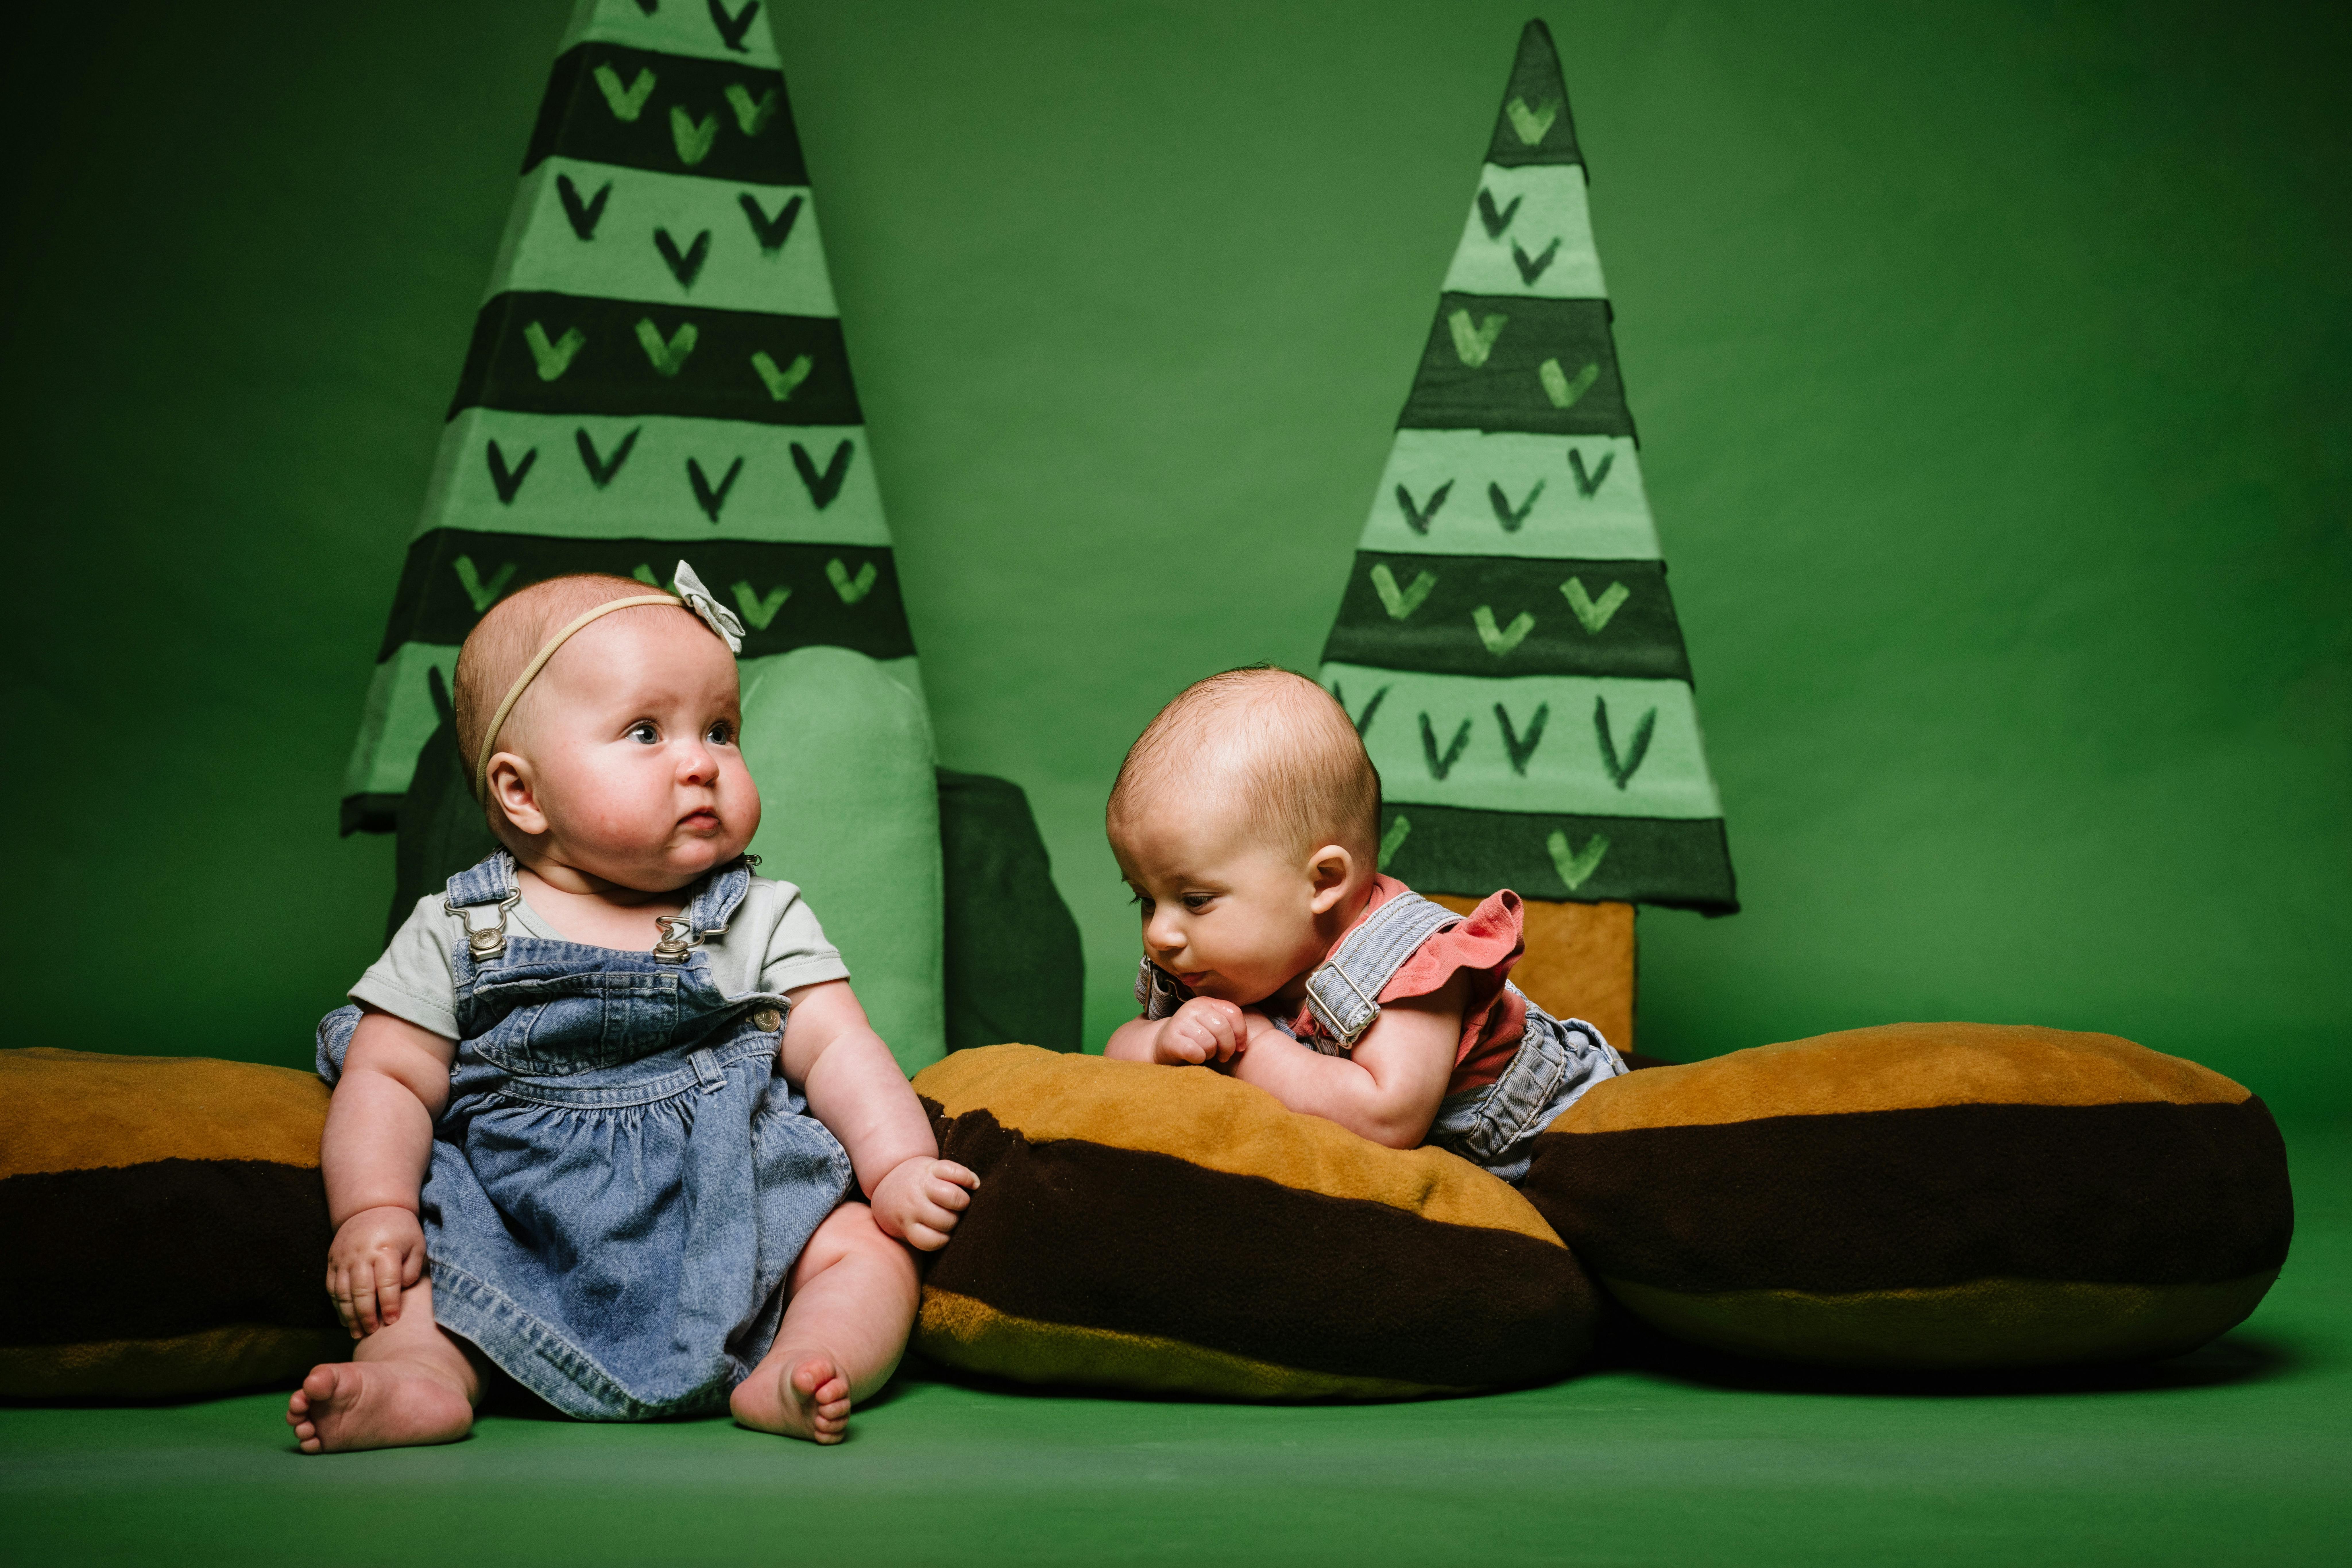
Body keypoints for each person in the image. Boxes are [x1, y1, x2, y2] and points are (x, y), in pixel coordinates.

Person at [286, 565, 976, 1453]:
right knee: (419, 1267)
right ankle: (421, 1374)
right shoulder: (461, 928)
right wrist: (373, 1210)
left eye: (722, 731)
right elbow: (387, 1073)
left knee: (862, 1246)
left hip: (732, 1201)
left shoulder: (759, 915)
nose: (702, 762)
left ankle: (805, 1358)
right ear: (520, 792)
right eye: (646, 731)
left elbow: (840, 1044)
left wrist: (898, 1167)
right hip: (518, 1216)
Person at [1102, 666, 1624, 1182]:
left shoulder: (1408, 963)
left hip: (1560, 1138)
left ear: (1324, 882)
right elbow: (1115, 1056)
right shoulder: (1208, 966)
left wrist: (1254, 1047)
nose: (1159, 934)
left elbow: (1389, 1115)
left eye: (1195, 899)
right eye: (1145, 900)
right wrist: (1161, 1041)